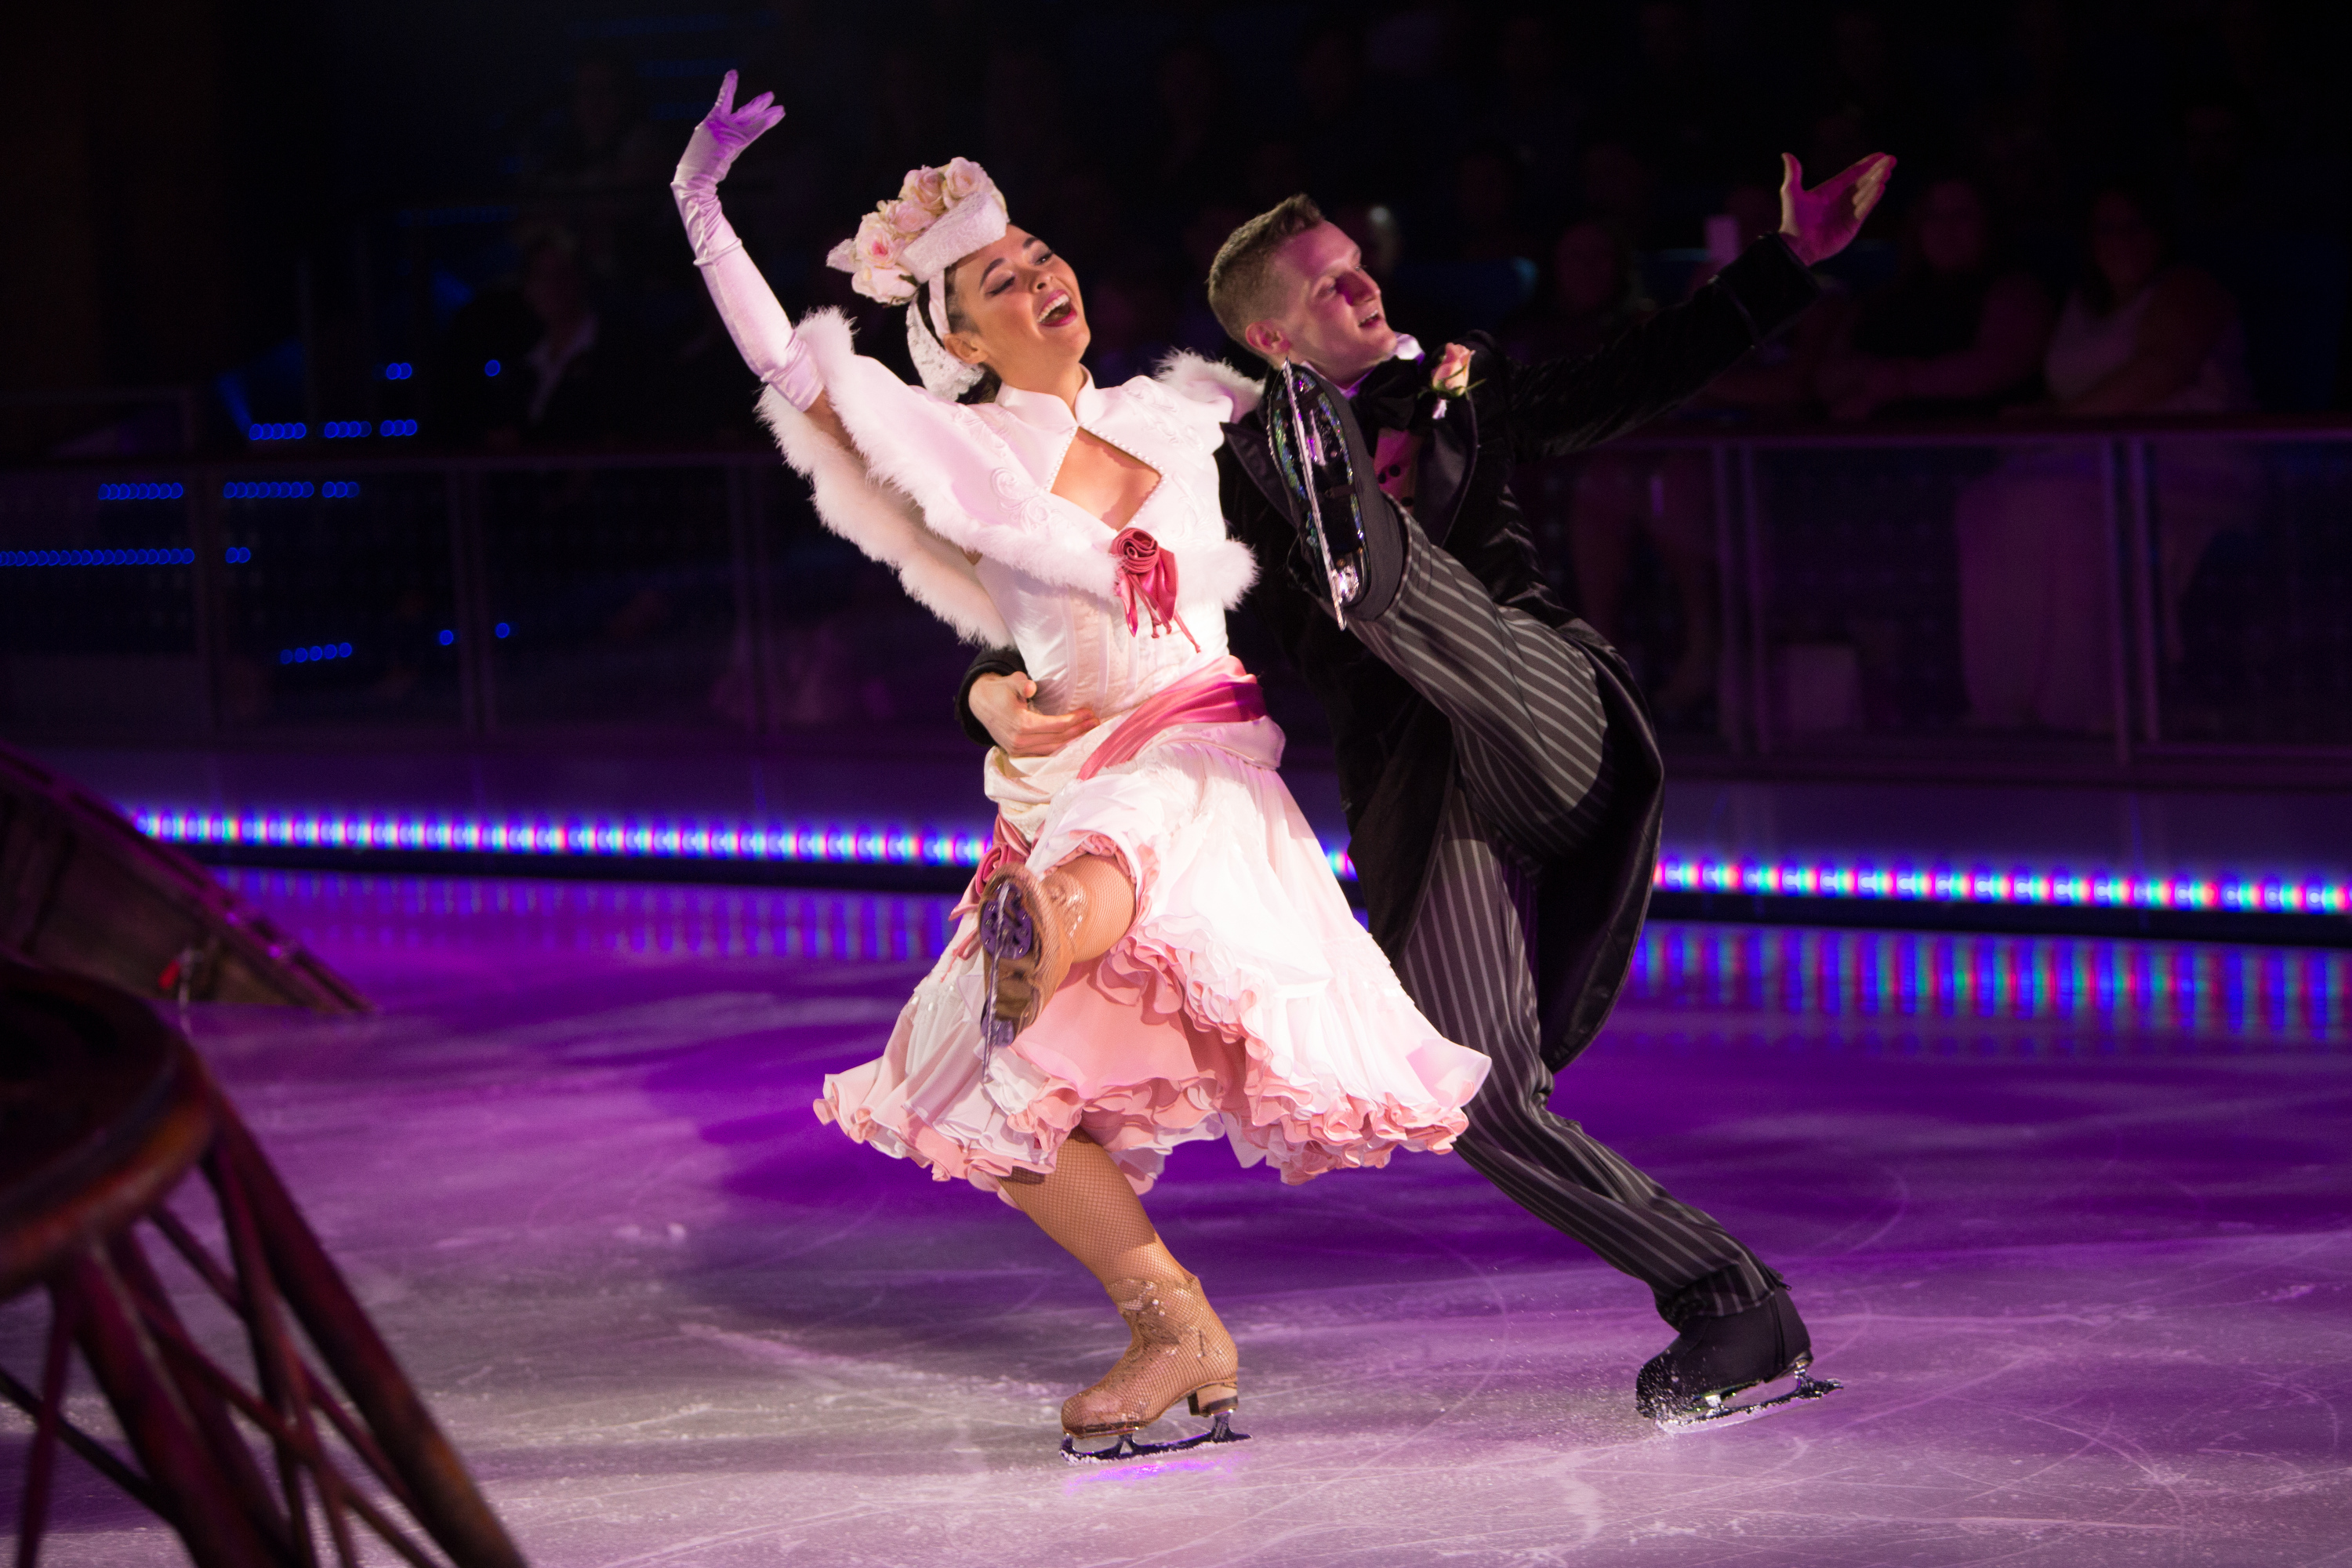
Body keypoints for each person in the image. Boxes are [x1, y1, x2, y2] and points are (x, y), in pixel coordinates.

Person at [963, 148, 1895, 1427]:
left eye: (1356, 270)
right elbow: (1089, 574)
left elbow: (1634, 378)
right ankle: (1733, 1302)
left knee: (1427, 607)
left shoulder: (1468, 391)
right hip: (1429, 787)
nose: (1361, 291)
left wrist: (1784, 261)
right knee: (1475, 1091)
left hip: (1544, 709)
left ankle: (1367, 555)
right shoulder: (1221, 476)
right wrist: (1001, 684)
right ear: (1269, 336)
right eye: (1328, 285)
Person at [670, 75, 1490, 1459]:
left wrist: (1411, 359)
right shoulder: (961, 443)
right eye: (1001, 276)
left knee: (1112, 861)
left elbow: (1322, 373)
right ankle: (1173, 1324)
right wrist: (699, 203)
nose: (1040, 272)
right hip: (1077, 762)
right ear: (961, 334)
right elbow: (794, 368)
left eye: (1039, 251)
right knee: (981, 1077)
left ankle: (1038, 926)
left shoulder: (1179, 410)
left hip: (1200, 747)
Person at [1954, 184, 2255, 731]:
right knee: (1986, 502)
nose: (2121, 240)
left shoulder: (2189, 289)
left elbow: (2160, 370)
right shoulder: (2080, 305)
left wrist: (2055, 428)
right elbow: (2082, 390)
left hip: (2186, 465)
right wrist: (2037, 417)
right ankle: (2005, 702)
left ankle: (2088, 706)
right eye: (2107, 228)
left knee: (2057, 506)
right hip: (2089, 459)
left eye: (2134, 225)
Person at [1814, 176, 2054, 423]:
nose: (1945, 228)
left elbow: (1998, 366)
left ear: (1990, 224)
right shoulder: (1882, 298)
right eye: (1934, 215)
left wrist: (1902, 382)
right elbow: (1826, 377)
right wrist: (1873, 377)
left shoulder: (2016, 293)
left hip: (1969, 444)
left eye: (1962, 215)